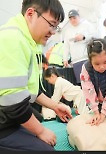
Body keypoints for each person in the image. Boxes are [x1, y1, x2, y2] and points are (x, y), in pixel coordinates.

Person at [0, 0, 72, 151]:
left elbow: (32, 90)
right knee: (46, 149)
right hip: (4, 117)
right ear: (31, 14)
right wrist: (40, 131)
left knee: (37, 119)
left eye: (56, 27)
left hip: (9, 112)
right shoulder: (12, 39)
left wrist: (55, 106)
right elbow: (13, 102)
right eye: (51, 24)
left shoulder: (31, 43)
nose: (53, 31)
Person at [63, 9, 95, 85]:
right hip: (76, 60)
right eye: (70, 19)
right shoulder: (68, 31)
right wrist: (65, 59)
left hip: (86, 58)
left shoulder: (87, 25)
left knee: (91, 81)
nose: (73, 20)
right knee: (81, 82)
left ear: (78, 17)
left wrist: (84, 37)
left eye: (74, 18)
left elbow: (95, 36)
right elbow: (66, 46)